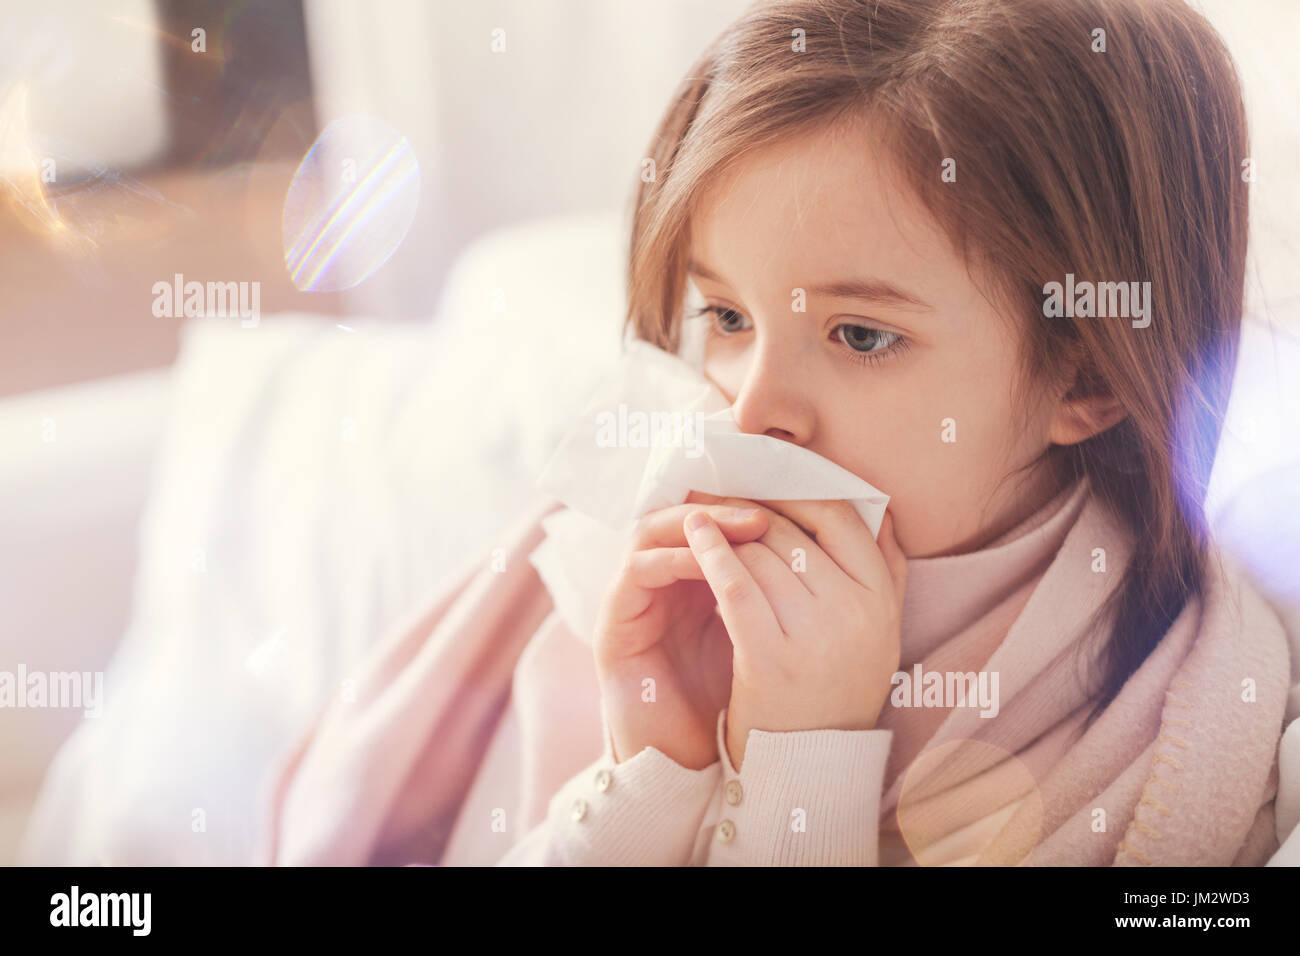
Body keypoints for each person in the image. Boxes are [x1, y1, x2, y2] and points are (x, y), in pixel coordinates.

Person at [261, 0, 1296, 867]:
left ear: (1089, 373)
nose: (750, 412)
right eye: (725, 317)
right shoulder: (628, 596)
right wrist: (655, 768)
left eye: (860, 335)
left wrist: (804, 760)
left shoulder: (1202, 726)